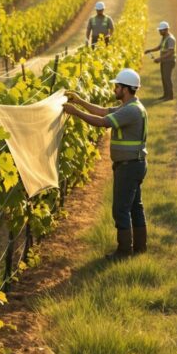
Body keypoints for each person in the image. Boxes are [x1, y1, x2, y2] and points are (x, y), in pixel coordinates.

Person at [63, 68, 148, 259]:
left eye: (117, 86)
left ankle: (124, 252)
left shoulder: (131, 111)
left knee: (121, 209)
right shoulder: (131, 106)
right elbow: (103, 111)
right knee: (135, 206)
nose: (114, 89)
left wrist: (75, 112)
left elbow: (102, 122)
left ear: (125, 89)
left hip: (129, 166)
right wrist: (79, 101)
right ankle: (140, 248)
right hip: (134, 164)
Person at [145, 21, 176, 100]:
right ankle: (165, 95)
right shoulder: (164, 37)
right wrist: (150, 50)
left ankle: (170, 96)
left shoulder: (170, 39)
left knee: (167, 78)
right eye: (159, 30)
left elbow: (171, 52)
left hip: (169, 61)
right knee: (164, 78)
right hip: (164, 61)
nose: (159, 31)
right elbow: (159, 47)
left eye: (161, 30)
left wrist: (159, 58)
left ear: (166, 30)